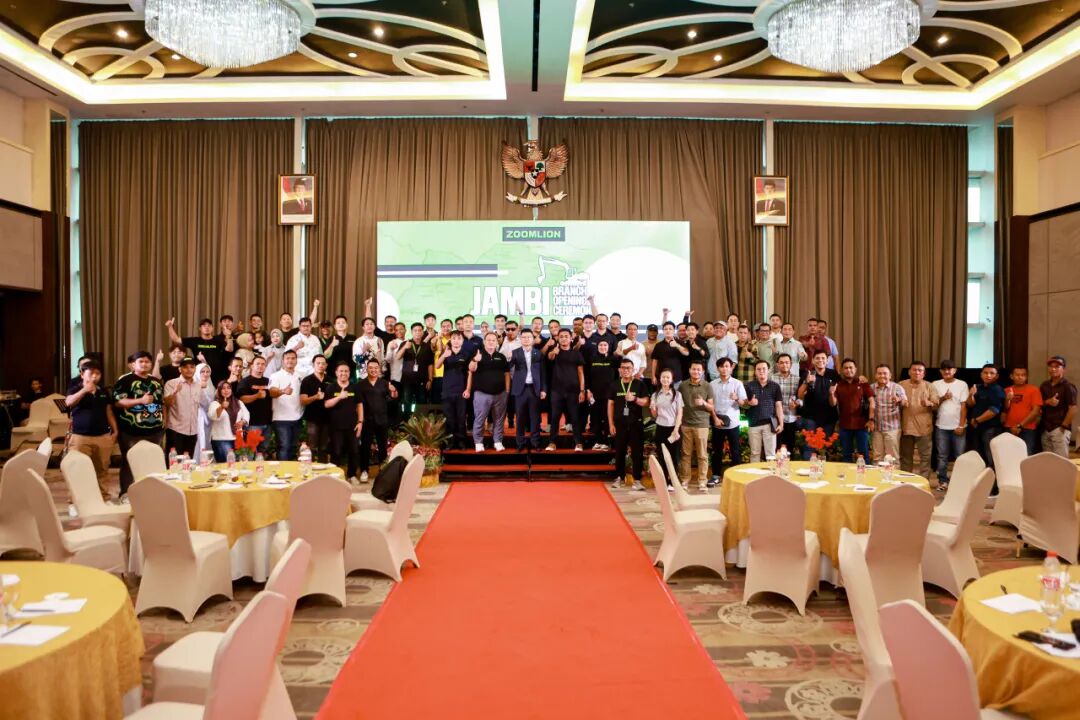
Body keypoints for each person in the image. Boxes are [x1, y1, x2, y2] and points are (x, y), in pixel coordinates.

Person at [112, 351, 165, 500]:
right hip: (131, 430)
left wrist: (164, 422)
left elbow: (161, 403)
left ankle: (152, 493)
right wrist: (140, 401)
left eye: (147, 361)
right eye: (141, 361)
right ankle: (126, 494)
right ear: (133, 364)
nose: (144, 364)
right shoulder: (125, 381)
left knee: (153, 461)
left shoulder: (156, 382)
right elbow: (118, 402)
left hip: (155, 430)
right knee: (129, 462)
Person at [65, 360, 118, 500]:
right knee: (78, 469)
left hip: (103, 436)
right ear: (82, 374)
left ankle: (103, 497)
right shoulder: (75, 388)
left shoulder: (103, 391)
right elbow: (68, 402)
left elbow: (108, 411)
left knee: (102, 469)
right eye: (91, 373)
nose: (94, 376)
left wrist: (115, 430)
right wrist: (84, 390)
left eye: (97, 373)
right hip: (80, 437)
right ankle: (76, 499)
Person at [608, 358, 649, 491]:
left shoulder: (639, 384)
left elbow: (646, 402)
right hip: (619, 424)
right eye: (623, 368)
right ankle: (619, 478)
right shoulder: (614, 385)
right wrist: (611, 424)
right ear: (619, 370)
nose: (625, 370)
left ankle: (637, 480)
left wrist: (634, 399)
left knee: (637, 452)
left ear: (633, 370)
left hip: (635, 423)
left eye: (628, 368)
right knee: (619, 451)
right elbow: (610, 405)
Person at [468, 332, 510, 452]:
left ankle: (498, 441)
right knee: (480, 418)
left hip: (500, 393)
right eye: (488, 340)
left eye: (493, 340)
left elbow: (507, 373)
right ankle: (478, 442)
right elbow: (471, 369)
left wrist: (507, 390)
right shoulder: (478, 354)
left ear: (497, 342)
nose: (491, 342)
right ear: (484, 342)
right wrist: (475, 360)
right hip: (482, 393)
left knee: (499, 419)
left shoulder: (501, 357)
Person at [931, 359, 968, 488]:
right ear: (940, 371)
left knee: (960, 456)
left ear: (955, 370)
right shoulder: (935, 384)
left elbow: (964, 406)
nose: (947, 371)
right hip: (941, 426)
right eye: (944, 369)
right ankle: (943, 481)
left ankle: (959, 482)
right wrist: (943, 398)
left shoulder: (962, 384)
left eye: (950, 369)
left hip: (958, 426)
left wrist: (961, 425)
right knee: (942, 456)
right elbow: (933, 405)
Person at [546, 328, 585, 451]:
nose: (563, 338)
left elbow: (581, 373)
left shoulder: (576, 353)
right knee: (555, 417)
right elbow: (550, 357)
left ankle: (578, 443)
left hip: (573, 390)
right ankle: (552, 442)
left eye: (566, 336)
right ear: (558, 338)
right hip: (556, 390)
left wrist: (582, 390)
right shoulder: (554, 351)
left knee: (575, 417)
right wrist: (554, 352)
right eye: (561, 336)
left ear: (571, 338)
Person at [357, 359, 396, 481]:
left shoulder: (384, 383)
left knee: (382, 446)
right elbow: (358, 403)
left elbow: (393, 397)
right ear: (367, 369)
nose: (373, 370)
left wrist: (393, 391)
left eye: (376, 368)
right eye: (371, 368)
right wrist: (360, 420)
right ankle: (364, 470)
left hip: (382, 419)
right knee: (365, 446)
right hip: (367, 420)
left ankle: (383, 470)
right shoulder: (361, 384)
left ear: (379, 369)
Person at [323, 361, 363, 482]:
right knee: (336, 451)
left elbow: (359, 405)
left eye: (346, 371)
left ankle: (352, 475)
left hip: (353, 426)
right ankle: (335, 477)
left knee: (354, 451)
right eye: (341, 371)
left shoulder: (355, 387)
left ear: (349, 373)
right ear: (336, 373)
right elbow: (326, 404)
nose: (343, 373)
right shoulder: (331, 387)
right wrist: (339, 397)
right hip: (336, 427)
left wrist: (360, 422)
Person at [678, 360, 714, 491]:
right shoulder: (682, 385)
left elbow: (711, 407)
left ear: (703, 371)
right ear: (689, 370)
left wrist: (703, 403)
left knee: (702, 455)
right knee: (686, 454)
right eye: (694, 369)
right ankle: (685, 480)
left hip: (702, 424)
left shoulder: (707, 386)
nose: (696, 371)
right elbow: (678, 404)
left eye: (699, 369)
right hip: (685, 424)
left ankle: (702, 481)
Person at [899, 361, 939, 478]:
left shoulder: (929, 386)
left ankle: (924, 482)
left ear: (924, 373)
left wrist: (929, 403)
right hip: (906, 427)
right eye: (914, 370)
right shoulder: (901, 385)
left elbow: (936, 405)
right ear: (909, 372)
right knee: (906, 458)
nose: (917, 372)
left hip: (924, 429)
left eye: (920, 370)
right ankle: (906, 481)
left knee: (925, 458)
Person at [709, 357, 745, 485]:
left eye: (727, 366)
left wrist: (736, 398)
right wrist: (715, 418)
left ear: (731, 368)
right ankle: (715, 475)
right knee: (716, 451)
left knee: (735, 450)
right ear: (718, 368)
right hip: (717, 422)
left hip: (733, 423)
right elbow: (710, 404)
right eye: (721, 366)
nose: (724, 369)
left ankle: (736, 476)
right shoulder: (712, 384)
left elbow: (743, 403)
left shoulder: (737, 383)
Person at [797, 350, 839, 459]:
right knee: (809, 447)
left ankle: (822, 468)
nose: (820, 360)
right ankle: (809, 467)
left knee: (824, 447)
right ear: (813, 360)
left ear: (827, 360)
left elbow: (834, 403)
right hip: (810, 417)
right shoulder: (807, 374)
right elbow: (800, 396)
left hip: (829, 417)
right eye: (817, 358)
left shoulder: (833, 374)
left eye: (823, 358)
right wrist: (806, 382)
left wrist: (831, 394)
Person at [832, 358, 874, 463]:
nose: (848, 370)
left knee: (864, 455)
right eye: (846, 368)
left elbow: (872, 402)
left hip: (862, 425)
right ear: (842, 370)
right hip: (844, 425)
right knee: (846, 455)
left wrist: (871, 419)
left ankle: (865, 473)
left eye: (851, 367)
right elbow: (833, 403)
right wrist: (831, 393)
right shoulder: (838, 385)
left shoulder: (862, 383)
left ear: (855, 369)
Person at [510, 329, 546, 451]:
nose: (526, 339)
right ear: (520, 339)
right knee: (520, 417)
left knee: (535, 417)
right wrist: (509, 359)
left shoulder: (538, 353)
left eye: (529, 337)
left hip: (534, 389)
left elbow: (543, 373)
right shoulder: (515, 353)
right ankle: (520, 443)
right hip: (520, 389)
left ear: (533, 339)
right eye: (524, 337)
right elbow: (507, 367)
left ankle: (535, 443)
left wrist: (543, 389)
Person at [966, 364, 1005, 479]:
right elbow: (970, 404)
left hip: (990, 429)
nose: (988, 375)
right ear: (981, 374)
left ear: (997, 376)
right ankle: (981, 482)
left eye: (992, 373)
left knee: (991, 457)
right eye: (986, 373)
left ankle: (994, 484)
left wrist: (977, 420)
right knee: (979, 456)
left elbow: (994, 411)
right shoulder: (978, 387)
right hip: (976, 428)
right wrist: (971, 394)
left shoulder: (997, 390)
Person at [162, 356, 205, 458]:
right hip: (175, 429)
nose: (189, 369)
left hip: (193, 430)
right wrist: (175, 392)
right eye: (185, 367)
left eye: (192, 367)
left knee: (188, 462)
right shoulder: (171, 383)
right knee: (173, 462)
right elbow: (167, 403)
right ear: (179, 369)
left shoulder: (198, 386)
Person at [166, 316, 231, 384]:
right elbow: (176, 339)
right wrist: (170, 327)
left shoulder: (218, 340)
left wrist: (229, 336)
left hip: (218, 374)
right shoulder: (195, 341)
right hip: (201, 374)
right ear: (200, 328)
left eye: (209, 325)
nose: (206, 327)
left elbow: (229, 349)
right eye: (204, 326)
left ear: (212, 328)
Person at [648, 368, 683, 489]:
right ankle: (664, 482)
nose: (665, 379)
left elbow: (679, 413)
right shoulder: (655, 395)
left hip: (673, 428)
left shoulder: (677, 395)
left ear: (672, 380)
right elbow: (654, 415)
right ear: (659, 379)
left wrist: (676, 429)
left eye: (668, 377)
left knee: (674, 457)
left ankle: (674, 482)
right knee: (662, 456)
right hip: (661, 428)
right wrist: (653, 408)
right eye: (663, 377)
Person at [435, 330, 470, 449]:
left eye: (459, 338)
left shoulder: (466, 354)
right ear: (451, 340)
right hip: (447, 391)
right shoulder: (446, 352)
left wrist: (468, 389)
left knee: (461, 418)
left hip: (461, 391)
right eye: (454, 338)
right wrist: (444, 355)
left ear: (462, 340)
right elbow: (437, 366)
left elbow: (470, 373)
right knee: (449, 418)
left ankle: (461, 442)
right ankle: (450, 442)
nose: (456, 341)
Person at [744, 360, 783, 462]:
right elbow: (742, 403)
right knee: (754, 453)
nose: (761, 371)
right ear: (755, 371)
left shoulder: (775, 386)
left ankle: (771, 472)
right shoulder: (748, 386)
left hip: (770, 424)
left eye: (764, 369)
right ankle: (755, 472)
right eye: (758, 369)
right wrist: (749, 402)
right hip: (753, 423)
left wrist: (781, 423)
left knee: (771, 454)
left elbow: (778, 405)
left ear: (768, 370)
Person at [1039, 355, 1077, 457]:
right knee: (1047, 460)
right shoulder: (1044, 385)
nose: (1053, 369)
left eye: (1057, 366)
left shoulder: (1068, 386)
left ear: (1064, 369)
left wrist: (1063, 427)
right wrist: (1048, 402)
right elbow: (1039, 404)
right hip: (1045, 428)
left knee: (1061, 461)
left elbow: (1073, 408)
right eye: (1051, 366)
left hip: (1059, 428)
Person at [268, 349, 303, 460]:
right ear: (283, 360)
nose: (290, 361)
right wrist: (283, 391)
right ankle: (282, 470)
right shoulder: (275, 376)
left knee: (293, 447)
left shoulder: (300, 376)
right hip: (281, 418)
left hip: (297, 417)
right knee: (284, 447)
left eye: (293, 358)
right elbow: (271, 392)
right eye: (287, 358)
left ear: (296, 360)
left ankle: (291, 471)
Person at [870, 364, 908, 463]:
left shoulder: (897, 387)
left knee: (892, 458)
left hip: (892, 428)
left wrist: (899, 399)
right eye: (879, 373)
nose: (882, 376)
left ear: (890, 375)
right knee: (877, 457)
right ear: (876, 375)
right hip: (876, 428)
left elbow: (905, 403)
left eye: (885, 373)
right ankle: (877, 474)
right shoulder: (871, 388)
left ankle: (893, 474)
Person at [237, 355, 272, 456]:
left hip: (268, 423)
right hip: (252, 423)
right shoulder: (245, 381)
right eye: (258, 364)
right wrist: (257, 396)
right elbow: (242, 399)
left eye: (263, 364)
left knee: (263, 452)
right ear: (252, 366)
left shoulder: (269, 381)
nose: (260, 366)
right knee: (250, 452)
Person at [1002, 366, 1041, 455]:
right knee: (1009, 455)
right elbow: (1004, 410)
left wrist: (1020, 426)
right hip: (1009, 427)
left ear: (1026, 377)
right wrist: (1007, 399)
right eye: (1017, 375)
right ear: (1011, 376)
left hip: (1027, 428)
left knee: (1026, 455)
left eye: (1023, 375)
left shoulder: (1034, 390)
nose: (1020, 377)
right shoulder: (1006, 390)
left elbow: (1036, 411)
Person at [586, 339, 617, 450]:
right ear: (597, 346)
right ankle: (598, 441)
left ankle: (606, 442)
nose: (603, 347)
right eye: (600, 345)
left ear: (609, 347)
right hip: (595, 395)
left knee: (607, 418)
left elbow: (617, 377)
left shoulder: (613, 360)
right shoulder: (591, 359)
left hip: (609, 396)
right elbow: (587, 376)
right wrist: (588, 391)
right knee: (596, 418)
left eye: (605, 345)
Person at [208, 380, 249, 463]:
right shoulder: (215, 404)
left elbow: (246, 414)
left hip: (238, 439)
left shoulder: (238, 402)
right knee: (227, 465)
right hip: (222, 439)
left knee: (239, 464)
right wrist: (222, 407)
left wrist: (243, 422)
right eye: (223, 388)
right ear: (219, 390)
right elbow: (212, 416)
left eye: (228, 388)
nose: (226, 390)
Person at [300, 354, 330, 462]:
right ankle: (310, 468)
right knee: (312, 446)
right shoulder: (307, 380)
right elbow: (303, 400)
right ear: (313, 364)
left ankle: (324, 468)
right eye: (318, 363)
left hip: (327, 419)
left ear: (326, 365)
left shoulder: (330, 380)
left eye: (323, 363)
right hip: (312, 419)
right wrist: (316, 397)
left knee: (324, 447)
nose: (321, 365)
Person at [401, 323, 434, 419]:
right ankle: (407, 423)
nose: (418, 332)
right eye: (415, 330)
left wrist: (430, 379)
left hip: (422, 380)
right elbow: (398, 357)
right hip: (407, 380)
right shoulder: (406, 343)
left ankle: (420, 424)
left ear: (423, 332)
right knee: (407, 402)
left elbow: (430, 364)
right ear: (411, 332)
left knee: (422, 402)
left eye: (420, 330)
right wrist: (404, 348)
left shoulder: (426, 346)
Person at [770, 353, 801, 452]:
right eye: (781, 363)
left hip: (791, 417)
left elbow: (802, 397)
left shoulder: (797, 379)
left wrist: (796, 403)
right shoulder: (772, 379)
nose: (784, 365)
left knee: (790, 447)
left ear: (791, 364)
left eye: (787, 362)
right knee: (776, 447)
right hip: (775, 418)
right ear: (777, 365)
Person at [650, 321, 688, 386]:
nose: (668, 331)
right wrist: (653, 376)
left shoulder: (680, 342)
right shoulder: (658, 345)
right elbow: (655, 361)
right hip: (663, 378)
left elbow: (686, 353)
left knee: (677, 392)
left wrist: (677, 345)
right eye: (665, 329)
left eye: (670, 329)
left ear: (674, 331)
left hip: (677, 378)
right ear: (663, 331)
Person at [352, 318, 385, 382]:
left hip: (377, 375)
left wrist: (381, 370)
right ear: (363, 327)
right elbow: (356, 360)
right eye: (367, 324)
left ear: (374, 327)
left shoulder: (379, 340)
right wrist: (364, 350)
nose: (369, 326)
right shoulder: (359, 341)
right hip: (363, 375)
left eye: (371, 324)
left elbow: (382, 357)